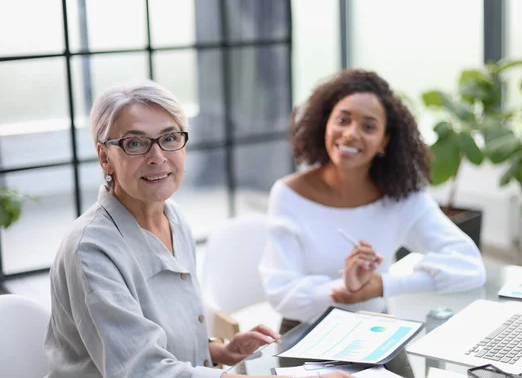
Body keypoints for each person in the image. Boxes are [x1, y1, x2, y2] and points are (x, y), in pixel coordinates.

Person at [44, 81, 351, 378]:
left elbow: (160, 331)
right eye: (135, 143)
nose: (158, 157)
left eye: (169, 138)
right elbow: (143, 370)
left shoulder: (172, 217)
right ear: (104, 157)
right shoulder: (89, 250)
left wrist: (218, 350)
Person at [259, 69, 487, 334]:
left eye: (368, 126)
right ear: (325, 124)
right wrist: (345, 288)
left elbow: (470, 266)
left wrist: (382, 285)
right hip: (304, 330)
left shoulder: (403, 197)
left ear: (384, 142)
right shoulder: (289, 194)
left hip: (375, 330)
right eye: (343, 120)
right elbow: (280, 293)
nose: (351, 133)